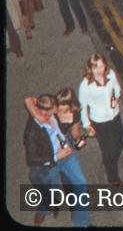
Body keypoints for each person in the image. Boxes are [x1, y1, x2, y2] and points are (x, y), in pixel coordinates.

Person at [24, 94, 90, 227]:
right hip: (50, 165)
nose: (46, 118)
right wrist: (56, 156)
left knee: (81, 184)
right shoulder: (32, 131)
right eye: (43, 114)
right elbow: (31, 159)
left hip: (68, 154)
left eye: (49, 114)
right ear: (36, 110)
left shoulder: (53, 108)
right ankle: (44, 209)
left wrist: (77, 140)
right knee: (51, 193)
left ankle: (81, 223)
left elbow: (30, 99)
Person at [78, 54, 123, 185]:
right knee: (108, 149)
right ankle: (112, 175)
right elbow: (82, 106)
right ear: (90, 68)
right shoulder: (85, 85)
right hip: (99, 121)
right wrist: (87, 125)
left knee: (120, 141)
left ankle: (109, 161)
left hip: (115, 115)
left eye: (101, 66)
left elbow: (116, 88)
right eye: (95, 67)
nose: (99, 70)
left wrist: (115, 98)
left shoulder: (110, 74)